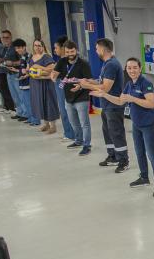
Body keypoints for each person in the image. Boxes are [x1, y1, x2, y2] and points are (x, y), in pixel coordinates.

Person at [114, 58, 154, 197]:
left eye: (135, 67)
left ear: (140, 68)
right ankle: (144, 177)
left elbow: (151, 103)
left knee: (151, 154)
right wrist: (103, 95)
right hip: (137, 124)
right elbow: (120, 100)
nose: (132, 70)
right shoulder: (129, 84)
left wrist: (133, 99)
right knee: (139, 151)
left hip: (149, 125)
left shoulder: (145, 83)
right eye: (129, 68)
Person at [77, 39, 127, 172]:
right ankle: (113, 156)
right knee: (107, 131)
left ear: (103, 49)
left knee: (116, 133)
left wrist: (85, 85)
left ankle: (123, 160)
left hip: (114, 105)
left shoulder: (112, 64)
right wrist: (89, 81)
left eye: (97, 48)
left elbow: (105, 87)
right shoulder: (106, 64)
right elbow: (102, 81)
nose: (96, 51)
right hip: (106, 105)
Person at [51, 41, 93, 154]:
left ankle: (87, 145)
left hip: (82, 97)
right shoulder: (62, 61)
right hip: (68, 98)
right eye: (67, 51)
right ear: (64, 52)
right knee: (73, 122)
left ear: (76, 50)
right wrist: (53, 76)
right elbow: (54, 72)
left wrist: (80, 86)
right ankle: (78, 140)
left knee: (84, 123)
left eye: (72, 51)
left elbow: (89, 80)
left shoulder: (83, 63)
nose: (70, 53)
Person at [28, 39, 60, 134]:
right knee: (40, 103)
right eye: (35, 45)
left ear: (43, 46)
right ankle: (45, 124)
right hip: (35, 84)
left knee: (48, 103)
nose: (37, 47)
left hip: (46, 84)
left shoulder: (46, 57)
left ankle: (53, 126)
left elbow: (52, 69)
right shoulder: (32, 57)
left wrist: (40, 68)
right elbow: (30, 69)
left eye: (39, 45)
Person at [52, 36, 75, 142]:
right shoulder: (61, 61)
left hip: (63, 86)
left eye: (56, 48)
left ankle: (70, 134)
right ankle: (70, 133)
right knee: (65, 110)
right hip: (60, 85)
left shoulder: (64, 62)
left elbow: (53, 76)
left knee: (65, 110)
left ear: (62, 48)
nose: (55, 50)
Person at [2, 30, 26, 121]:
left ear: (11, 37)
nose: (5, 39)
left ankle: (25, 113)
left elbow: (22, 60)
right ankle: (19, 112)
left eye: (7, 37)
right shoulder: (4, 48)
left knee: (20, 94)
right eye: (3, 37)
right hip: (9, 73)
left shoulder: (16, 46)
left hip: (17, 73)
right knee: (14, 95)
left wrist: (12, 63)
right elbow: (1, 59)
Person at [10, 39, 34, 126]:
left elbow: (30, 70)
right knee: (25, 102)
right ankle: (30, 118)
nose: (18, 50)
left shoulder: (29, 57)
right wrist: (16, 70)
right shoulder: (22, 57)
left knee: (30, 102)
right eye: (16, 48)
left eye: (19, 48)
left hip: (28, 83)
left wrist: (25, 74)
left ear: (24, 47)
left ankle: (35, 119)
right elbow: (23, 70)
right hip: (22, 83)